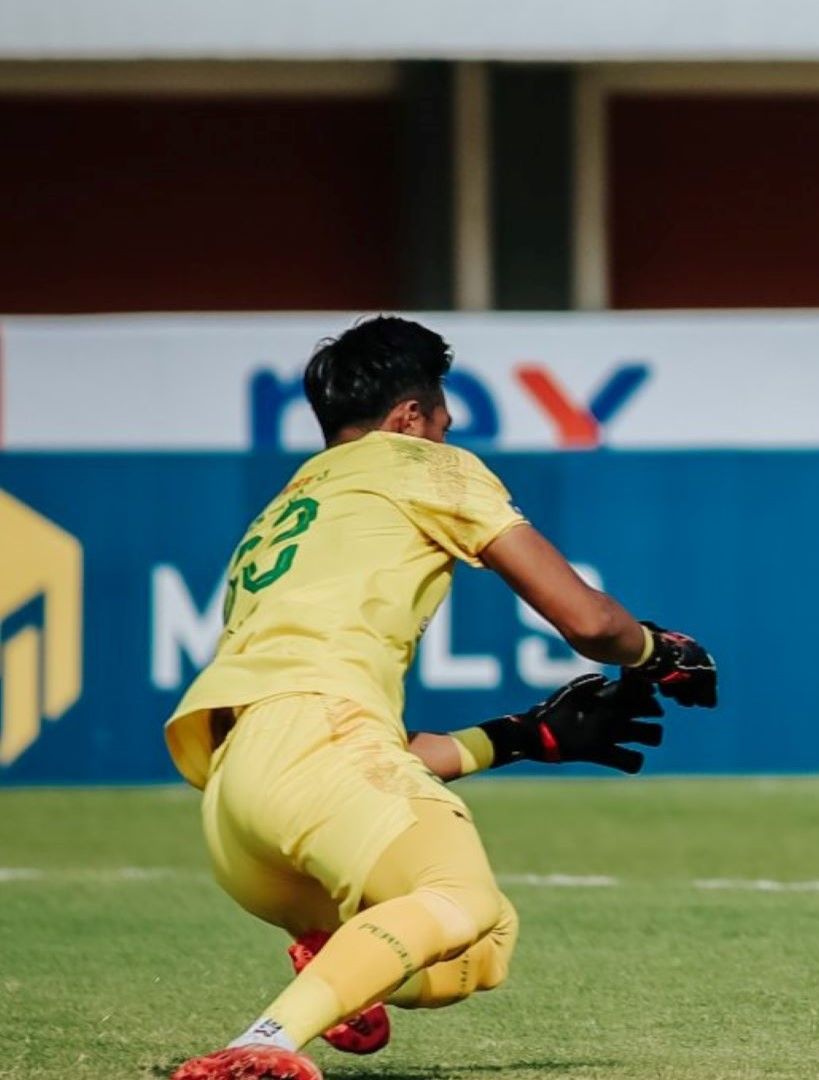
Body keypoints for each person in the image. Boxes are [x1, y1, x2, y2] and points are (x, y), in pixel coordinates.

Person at [168, 316, 719, 1079]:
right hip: (314, 750)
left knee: (484, 945)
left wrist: (522, 736)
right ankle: (262, 1045)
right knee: (459, 892)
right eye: (443, 422)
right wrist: (663, 653)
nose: (448, 435)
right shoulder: (422, 465)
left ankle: (333, 971)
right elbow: (591, 623)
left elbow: (328, 754)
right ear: (409, 418)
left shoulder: (287, 509)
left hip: (238, 810)